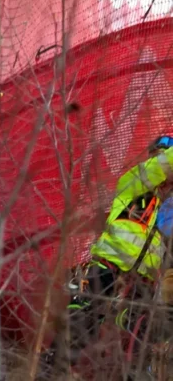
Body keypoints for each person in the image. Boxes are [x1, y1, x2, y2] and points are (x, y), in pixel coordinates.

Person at [45, 135, 173, 374]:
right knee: (82, 313)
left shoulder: (167, 207)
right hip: (108, 266)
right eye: (158, 155)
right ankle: (53, 369)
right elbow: (160, 167)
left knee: (139, 332)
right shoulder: (133, 184)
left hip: (141, 282)